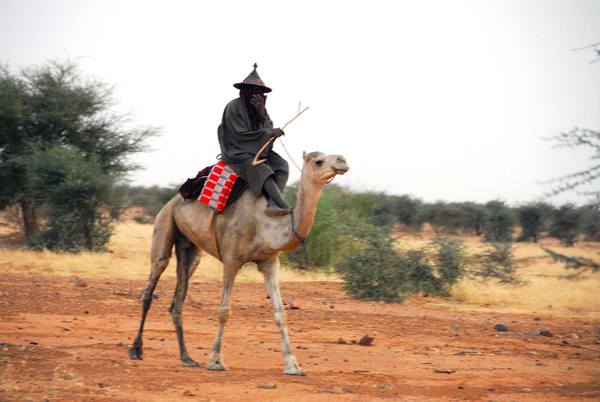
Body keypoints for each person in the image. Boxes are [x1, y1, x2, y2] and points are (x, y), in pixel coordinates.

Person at [217, 64, 292, 216]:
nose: (257, 95)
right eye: (253, 91)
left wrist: (261, 115)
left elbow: (267, 135)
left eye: (260, 92)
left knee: (282, 166)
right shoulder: (234, 107)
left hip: (258, 150)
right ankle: (283, 204)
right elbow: (240, 136)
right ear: (244, 91)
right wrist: (270, 132)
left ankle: (272, 204)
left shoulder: (261, 110)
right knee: (262, 169)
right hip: (237, 152)